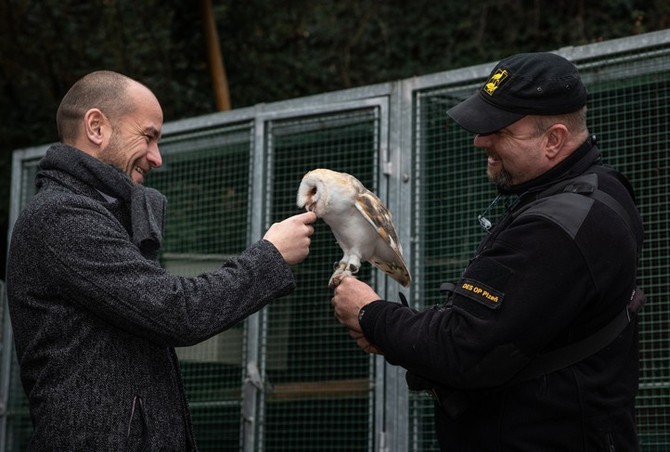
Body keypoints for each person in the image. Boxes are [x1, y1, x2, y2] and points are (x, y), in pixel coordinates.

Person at [332, 52, 645, 451]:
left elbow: (462, 350)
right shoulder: (598, 191)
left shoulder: (556, 226)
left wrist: (370, 313)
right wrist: (398, 334)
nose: (481, 140)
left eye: (500, 130)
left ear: (554, 140)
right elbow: (505, 335)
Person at [6, 71, 316, 450]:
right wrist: (270, 256)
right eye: (148, 136)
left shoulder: (96, 214)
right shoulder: (60, 217)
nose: (157, 157)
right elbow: (176, 310)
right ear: (96, 127)